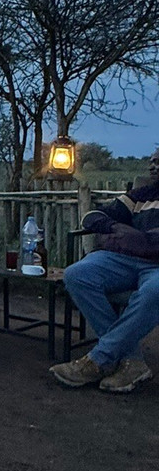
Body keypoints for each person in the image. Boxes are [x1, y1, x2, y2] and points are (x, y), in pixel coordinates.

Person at [49, 148, 159, 393]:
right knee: (77, 274)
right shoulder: (140, 196)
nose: (153, 166)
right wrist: (115, 228)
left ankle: (99, 359)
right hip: (123, 259)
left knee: (155, 290)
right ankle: (131, 360)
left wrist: (140, 238)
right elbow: (91, 217)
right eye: (151, 161)